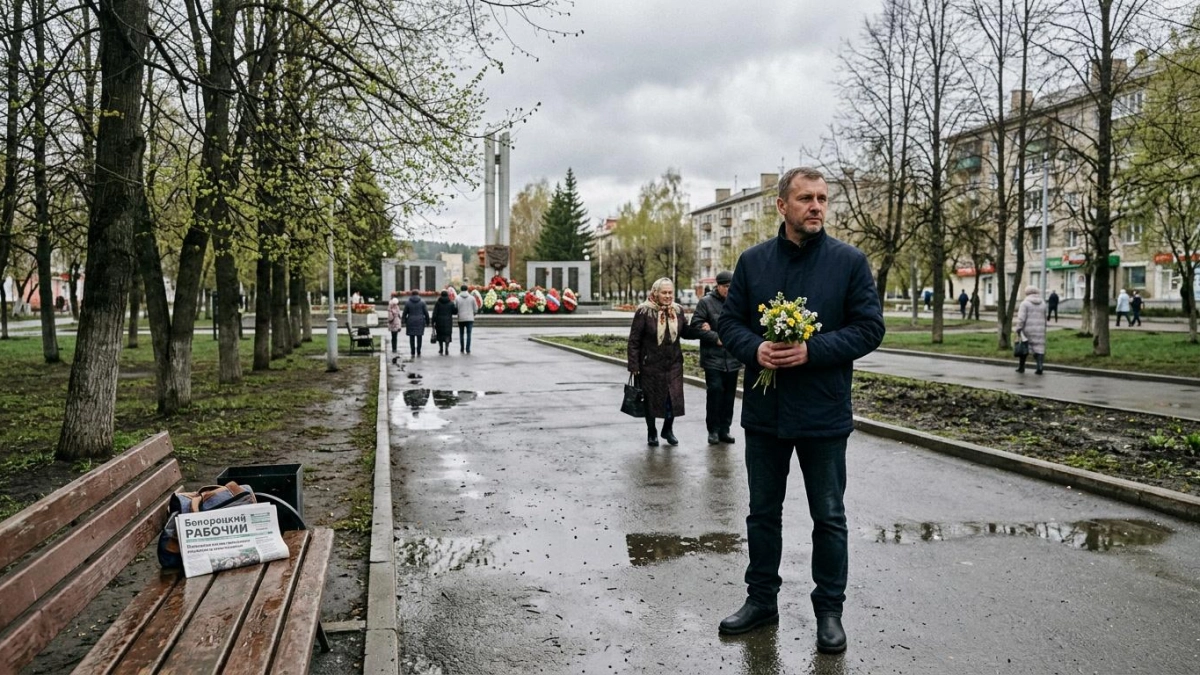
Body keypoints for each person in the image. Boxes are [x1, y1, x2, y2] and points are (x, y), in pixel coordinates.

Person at [716, 167, 885, 653]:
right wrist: (755, 350)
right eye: (806, 198)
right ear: (782, 206)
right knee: (762, 514)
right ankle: (761, 600)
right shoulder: (752, 262)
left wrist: (813, 350)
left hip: (824, 414)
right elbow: (730, 324)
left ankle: (829, 611)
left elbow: (870, 328)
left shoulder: (849, 262)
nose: (816, 207)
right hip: (766, 415)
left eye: (823, 199)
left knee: (828, 516)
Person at [627, 277, 706, 447]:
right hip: (650, 365)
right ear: (655, 293)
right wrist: (634, 365)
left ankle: (667, 429)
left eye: (670, 292)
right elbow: (634, 340)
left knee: (672, 399)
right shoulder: (644, 311)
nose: (668, 296)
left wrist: (700, 329)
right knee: (651, 400)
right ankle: (652, 432)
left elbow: (685, 332)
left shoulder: (677, 310)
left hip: (673, 364)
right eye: (664, 292)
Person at [691, 270, 742, 445]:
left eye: (731, 286)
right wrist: (715, 337)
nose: (729, 289)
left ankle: (724, 429)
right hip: (712, 358)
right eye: (726, 286)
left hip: (732, 358)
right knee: (715, 391)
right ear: (718, 286)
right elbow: (696, 326)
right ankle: (712, 430)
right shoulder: (705, 303)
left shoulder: (737, 302)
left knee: (729, 396)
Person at [1014, 285, 1048, 374]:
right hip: (1040, 330)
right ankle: (1039, 367)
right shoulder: (1043, 303)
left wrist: (1018, 328)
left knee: (1024, 348)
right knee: (1039, 348)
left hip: (1027, 330)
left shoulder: (1025, 303)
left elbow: (1021, 318)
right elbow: (1045, 318)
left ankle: (1021, 367)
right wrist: (1044, 328)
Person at [400, 289, 429, 358]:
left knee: (411, 337)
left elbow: (405, 313)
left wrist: (403, 320)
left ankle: (412, 351)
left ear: (411, 294)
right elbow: (426, 313)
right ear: (418, 294)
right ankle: (418, 351)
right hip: (420, 320)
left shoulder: (408, 302)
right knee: (419, 336)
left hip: (411, 321)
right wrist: (427, 321)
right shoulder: (422, 302)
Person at [432, 290, 455, 355]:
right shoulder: (450, 303)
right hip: (448, 321)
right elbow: (455, 311)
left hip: (439, 321)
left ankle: (441, 348)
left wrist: (433, 321)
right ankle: (446, 348)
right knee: (447, 335)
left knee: (440, 335)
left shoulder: (438, 303)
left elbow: (435, 313)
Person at [455, 285, 477, 353]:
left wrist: (458, 313)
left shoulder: (457, 298)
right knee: (469, 334)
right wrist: (473, 314)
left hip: (461, 318)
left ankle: (462, 348)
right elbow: (475, 308)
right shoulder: (472, 298)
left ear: (461, 290)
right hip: (470, 318)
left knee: (461, 333)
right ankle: (468, 349)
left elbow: (455, 308)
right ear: (467, 289)